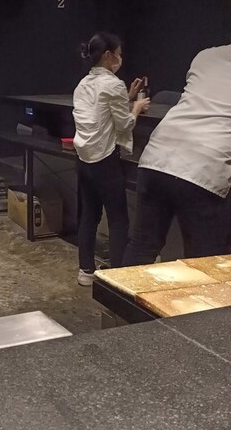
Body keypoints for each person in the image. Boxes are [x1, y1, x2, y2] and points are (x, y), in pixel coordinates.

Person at [123, 44, 231, 266]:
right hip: (204, 167)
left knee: (142, 246)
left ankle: (120, 290)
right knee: (204, 262)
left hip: (157, 156)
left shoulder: (206, 55)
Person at [72, 32, 150, 286]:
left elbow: (100, 111)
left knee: (89, 216)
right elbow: (124, 123)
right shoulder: (113, 84)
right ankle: (116, 277)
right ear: (108, 55)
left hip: (84, 159)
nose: (120, 58)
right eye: (118, 54)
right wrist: (135, 108)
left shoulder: (83, 84)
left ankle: (86, 271)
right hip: (105, 160)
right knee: (118, 219)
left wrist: (127, 96)